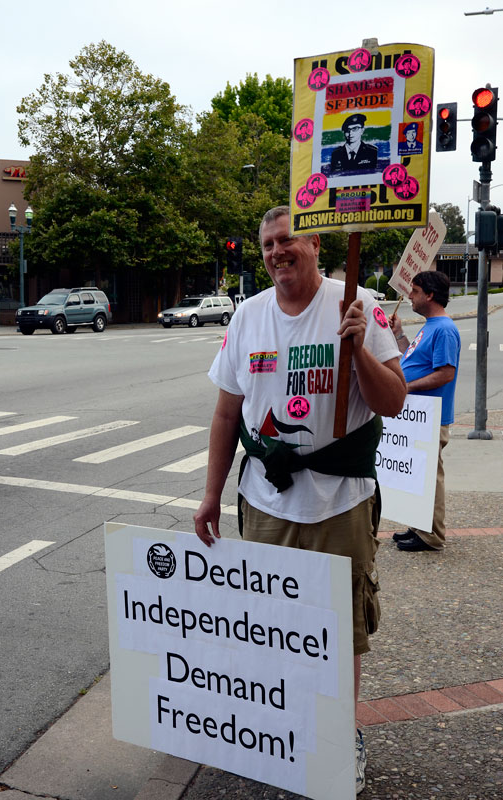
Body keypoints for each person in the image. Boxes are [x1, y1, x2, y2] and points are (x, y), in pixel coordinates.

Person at [194, 205, 406, 794]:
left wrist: (359, 348)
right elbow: (225, 413)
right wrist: (211, 495)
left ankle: (341, 736)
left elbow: (392, 402)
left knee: (339, 631)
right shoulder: (248, 318)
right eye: (267, 245)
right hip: (266, 501)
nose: (276, 252)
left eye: (287, 240)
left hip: (340, 502)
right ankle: (285, 730)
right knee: (276, 627)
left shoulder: (358, 306)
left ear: (314, 243)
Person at [389, 271, 461, 552]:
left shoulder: (444, 329)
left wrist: (406, 387)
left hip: (431, 416)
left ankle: (432, 535)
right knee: (418, 474)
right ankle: (420, 526)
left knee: (430, 475)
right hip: (419, 416)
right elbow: (413, 358)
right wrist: (399, 336)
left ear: (429, 295)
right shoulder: (430, 326)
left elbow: (445, 374)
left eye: (415, 291)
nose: (410, 296)